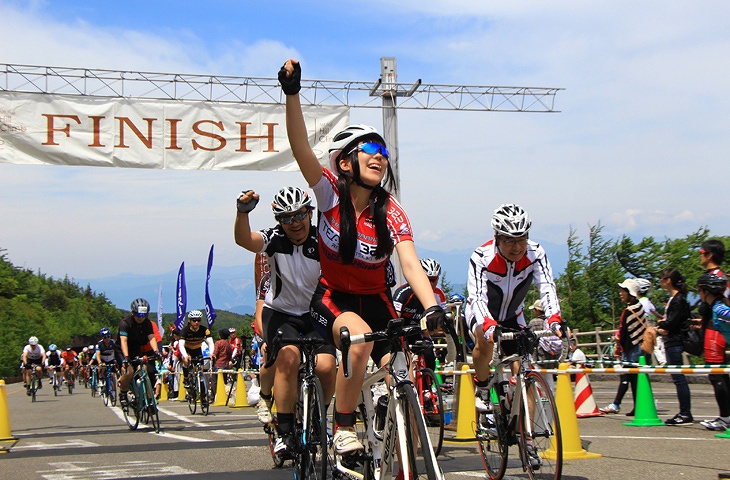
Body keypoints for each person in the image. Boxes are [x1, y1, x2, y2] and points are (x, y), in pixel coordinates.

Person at [280, 58, 446, 460]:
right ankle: (342, 428)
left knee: (402, 366)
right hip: (334, 297)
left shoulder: (391, 211)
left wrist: (433, 307)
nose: (380, 156)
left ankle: (395, 433)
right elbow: (301, 148)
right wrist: (292, 94)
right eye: (370, 149)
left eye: (383, 151)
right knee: (356, 340)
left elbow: (410, 265)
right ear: (344, 162)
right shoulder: (328, 195)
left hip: (377, 298)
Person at [235, 185, 337, 458]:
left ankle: (322, 420)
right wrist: (242, 213)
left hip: (315, 313)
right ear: (279, 221)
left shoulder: (323, 240)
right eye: (287, 218)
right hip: (281, 313)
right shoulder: (275, 239)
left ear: (309, 213)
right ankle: (285, 432)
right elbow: (245, 241)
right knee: (288, 359)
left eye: (300, 215)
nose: (295, 223)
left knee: (327, 367)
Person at [599, 278, 647, 416]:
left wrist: (618, 346)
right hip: (639, 346)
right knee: (632, 378)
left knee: (628, 377)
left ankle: (617, 404)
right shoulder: (639, 307)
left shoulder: (629, 310)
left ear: (630, 293)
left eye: (623, 290)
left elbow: (625, 332)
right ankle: (633, 405)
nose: (620, 293)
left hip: (631, 348)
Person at [393, 258, 447, 371]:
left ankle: (428, 384)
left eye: (434, 279)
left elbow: (442, 319)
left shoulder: (439, 294)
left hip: (420, 331)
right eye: (428, 279)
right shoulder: (404, 291)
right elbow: (394, 316)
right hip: (403, 330)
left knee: (429, 355)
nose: (431, 283)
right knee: (405, 359)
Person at [656, 268, 693, 425]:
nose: (660, 281)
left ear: (668, 280)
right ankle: (684, 412)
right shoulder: (673, 299)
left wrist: (660, 324)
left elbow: (671, 322)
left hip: (675, 341)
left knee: (679, 378)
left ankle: (685, 413)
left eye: (662, 278)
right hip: (670, 341)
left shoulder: (678, 300)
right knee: (677, 378)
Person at [696, 271, 730, 431]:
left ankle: (725, 418)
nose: (698, 294)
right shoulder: (717, 307)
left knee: (718, 378)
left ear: (706, 291)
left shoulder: (719, 309)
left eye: (699, 290)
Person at [117, 298, 160, 407]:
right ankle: (123, 393)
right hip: (122, 349)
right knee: (129, 371)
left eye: (144, 315)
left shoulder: (147, 323)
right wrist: (126, 357)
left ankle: (149, 400)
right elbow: (124, 341)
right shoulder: (125, 323)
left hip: (136, 348)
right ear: (133, 313)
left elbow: (151, 338)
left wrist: (156, 351)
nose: (141, 318)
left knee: (144, 370)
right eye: (138, 315)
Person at [178, 310, 215, 393]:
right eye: (194, 320)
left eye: (198, 320)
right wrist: (185, 356)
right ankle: (186, 378)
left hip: (197, 350)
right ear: (190, 321)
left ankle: (202, 392)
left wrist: (211, 353)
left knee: (200, 369)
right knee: (186, 361)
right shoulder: (185, 330)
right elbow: (181, 345)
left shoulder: (204, 330)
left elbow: (211, 343)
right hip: (187, 350)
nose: (196, 322)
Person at [635, 278, 665, 365]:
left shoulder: (640, 302)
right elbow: (654, 312)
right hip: (650, 329)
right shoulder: (647, 301)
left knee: (642, 357)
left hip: (642, 333)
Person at [211, 328, 233, 403]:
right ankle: (223, 396)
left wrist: (212, 357)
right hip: (225, 364)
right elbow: (230, 354)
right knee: (224, 381)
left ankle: (213, 397)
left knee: (214, 381)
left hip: (217, 364)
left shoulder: (218, 343)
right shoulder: (228, 344)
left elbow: (215, 353)